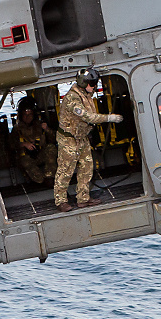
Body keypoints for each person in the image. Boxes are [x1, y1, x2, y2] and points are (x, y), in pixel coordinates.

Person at [54, 68, 122, 212]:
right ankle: (61, 201)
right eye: (92, 83)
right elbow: (88, 117)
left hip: (81, 137)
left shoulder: (86, 95)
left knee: (87, 166)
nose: (94, 86)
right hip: (68, 139)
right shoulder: (73, 98)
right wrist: (109, 118)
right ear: (84, 83)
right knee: (65, 170)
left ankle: (83, 199)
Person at [11, 100, 55, 186]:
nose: (28, 117)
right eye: (25, 114)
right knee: (24, 160)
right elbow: (11, 146)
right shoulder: (17, 129)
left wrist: (47, 130)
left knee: (51, 148)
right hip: (27, 158)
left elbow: (53, 139)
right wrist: (24, 144)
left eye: (30, 114)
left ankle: (49, 176)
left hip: (40, 154)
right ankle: (38, 179)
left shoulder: (40, 125)